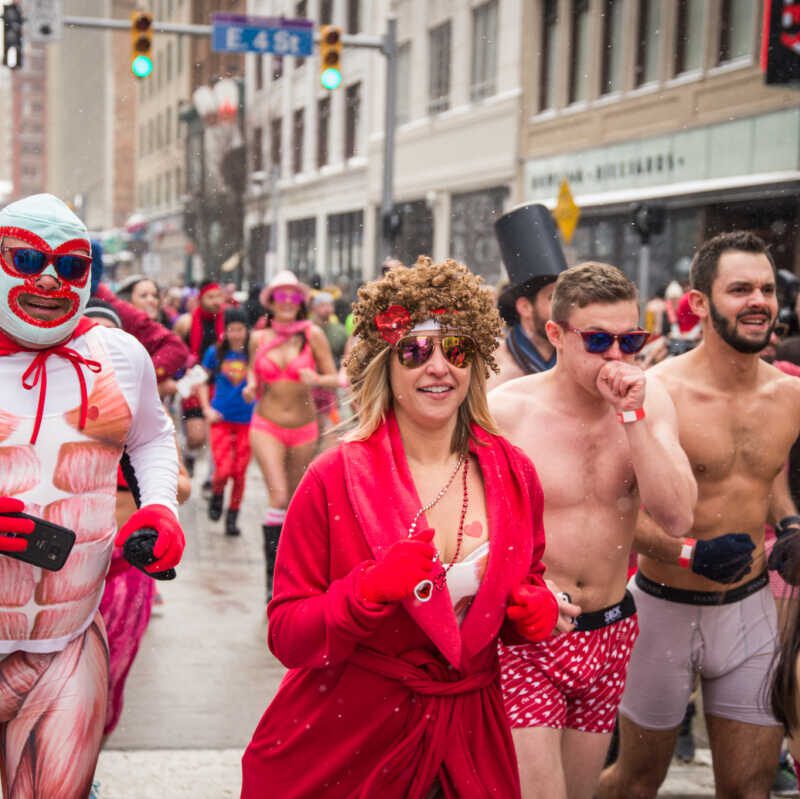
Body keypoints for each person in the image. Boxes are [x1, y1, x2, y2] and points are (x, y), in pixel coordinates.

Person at [241, 256, 559, 798]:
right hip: (352, 738)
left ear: (476, 361)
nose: (438, 367)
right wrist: (365, 590)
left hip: (468, 739)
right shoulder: (333, 476)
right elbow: (287, 635)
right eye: (415, 351)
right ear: (386, 364)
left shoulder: (513, 472)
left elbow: (525, 581)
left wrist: (532, 612)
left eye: (455, 350)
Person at [597, 231, 800, 799]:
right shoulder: (659, 391)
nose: (758, 300)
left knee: (749, 787)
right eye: (739, 289)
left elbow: (769, 479)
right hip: (662, 608)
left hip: (749, 609)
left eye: (765, 288)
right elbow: (614, 510)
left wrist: (789, 525)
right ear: (700, 303)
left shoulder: (789, 395)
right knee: (637, 780)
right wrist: (689, 551)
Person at [0, 193, 185, 797]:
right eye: (27, 259)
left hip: (73, 637)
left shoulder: (119, 354)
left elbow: (154, 438)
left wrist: (160, 507)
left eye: (72, 265)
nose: (51, 278)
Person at [489, 262, 696, 799]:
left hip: (610, 631)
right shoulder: (505, 411)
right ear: (555, 335)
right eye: (598, 340)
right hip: (529, 635)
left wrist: (634, 417)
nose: (616, 356)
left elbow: (676, 515)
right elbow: (464, 524)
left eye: (630, 340)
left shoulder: (650, 400)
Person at [83, 300, 192, 742]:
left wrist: (140, 483)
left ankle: (85, 769)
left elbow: (181, 487)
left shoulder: (144, 416)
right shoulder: (55, 410)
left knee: (108, 681)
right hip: (59, 565)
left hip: (125, 571)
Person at [243, 270, 337, 598]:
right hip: (266, 424)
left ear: (300, 302)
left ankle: (289, 572)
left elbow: (337, 378)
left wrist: (318, 379)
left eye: (292, 296)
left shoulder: (313, 335)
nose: (285, 303)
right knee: (279, 496)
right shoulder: (258, 339)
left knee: (295, 503)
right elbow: (255, 379)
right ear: (270, 301)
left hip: (304, 428)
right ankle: (271, 582)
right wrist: (251, 387)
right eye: (279, 296)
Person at [487, 203, 567, 390]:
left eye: (567, 297)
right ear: (525, 307)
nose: (564, 308)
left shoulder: (575, 360)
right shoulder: (492, 367)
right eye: (554, 298)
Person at [199, 307, 254, 536]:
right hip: (220, 419)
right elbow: (201, 381)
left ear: (246, 330)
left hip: (247, 422)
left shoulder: (253, 354)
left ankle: (233, 516)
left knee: (239, 472)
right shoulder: (215, 353)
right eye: (231, 329)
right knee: (223, 470)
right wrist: (206, 409)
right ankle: (218, 495)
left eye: (239, 329)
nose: (235, 334)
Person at [173, 280, 226, 469]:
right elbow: (173, 351)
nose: (215, 301)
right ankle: (190, 455)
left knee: (218, 436)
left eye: (218, 297)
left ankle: (213, 481)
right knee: (196, 436)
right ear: (200, 299)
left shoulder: (227, 321)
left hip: (220, 383)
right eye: (210, 297)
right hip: (194, 382)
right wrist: (183, 369)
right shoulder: (186, 322)